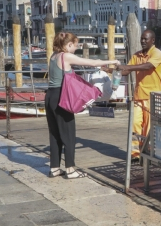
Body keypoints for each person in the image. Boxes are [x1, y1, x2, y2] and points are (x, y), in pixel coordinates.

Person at [46, 32, 120, 179]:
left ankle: (54, 168)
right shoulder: (66, 56)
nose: (77, 47)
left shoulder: (53, 56)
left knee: (55, 134)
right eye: (75, 45)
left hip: (50, 97)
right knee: (68, 134)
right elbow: (91, 63)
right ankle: (70, 169)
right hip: (62, 97)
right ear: (68, 45)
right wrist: (114, 61)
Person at [115, 29, 161, 160]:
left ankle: (147, 153)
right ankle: (135, 154)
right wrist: (111, 70)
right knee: (135, 123)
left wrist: (127, 68)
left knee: (149, 128)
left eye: (145, 39)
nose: (143, 41)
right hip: (139, 95)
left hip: (153, 96)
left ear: (152, 40)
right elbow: (126, 71)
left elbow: (147, 66)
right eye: (142, 39)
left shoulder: (157, 53)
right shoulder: (137, 55)